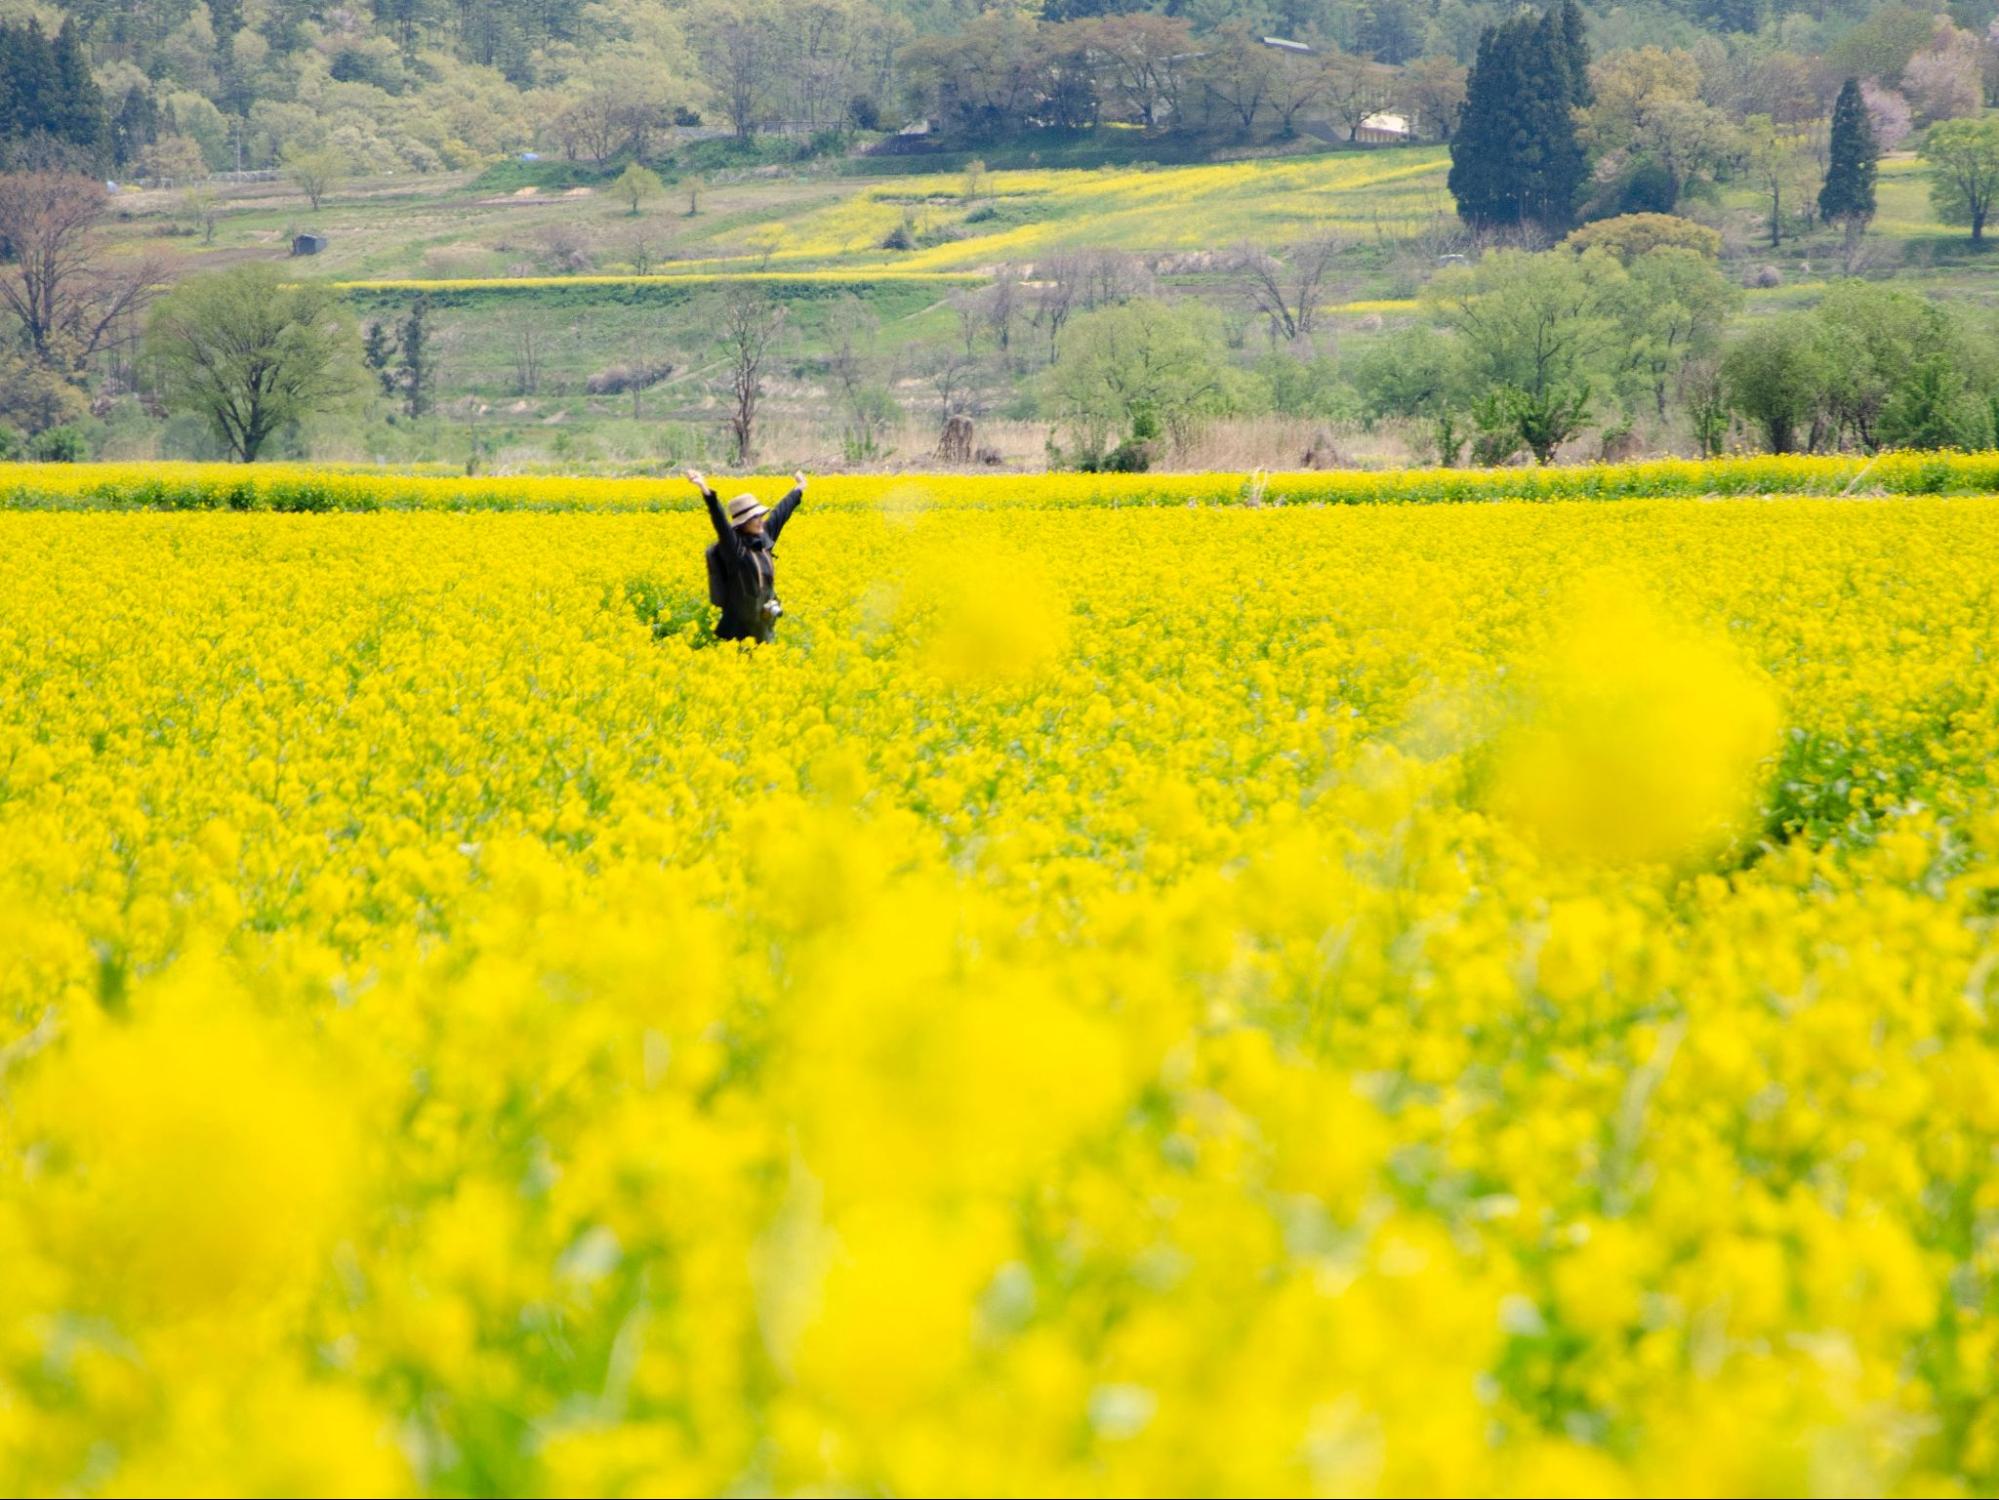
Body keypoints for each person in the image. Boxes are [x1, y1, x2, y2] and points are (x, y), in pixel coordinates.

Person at [687, 468, 807, 643]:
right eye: (754, 517)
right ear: (743, 523)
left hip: (763, 626)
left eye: (760, 515)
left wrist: (801, 486)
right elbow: (720, 521)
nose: (760, 520)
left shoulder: (764, 537)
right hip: (739, 631)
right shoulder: (735, 549)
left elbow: (781, 512)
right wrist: (704, 489)